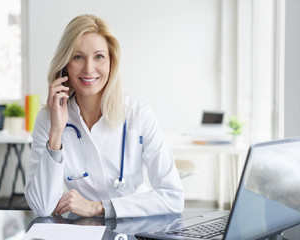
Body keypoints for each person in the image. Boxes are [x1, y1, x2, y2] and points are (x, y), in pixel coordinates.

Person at [25, 14, 184, 219]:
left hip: (135, 222)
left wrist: (98, 207)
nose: (89, 69)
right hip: (81, 229)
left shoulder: (139, 114)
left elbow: (173, 196)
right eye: (78, 56)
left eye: (99, 56)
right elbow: (42, 207)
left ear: (111, 62)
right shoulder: (49, 119)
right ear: (65, 64)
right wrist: (55, 132)